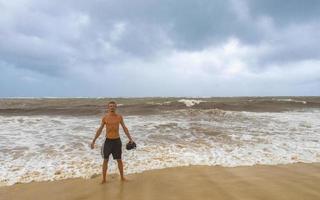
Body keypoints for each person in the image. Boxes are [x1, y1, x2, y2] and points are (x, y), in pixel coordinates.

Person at [91, 101, 134, 183]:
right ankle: (103, 179)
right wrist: (94, 141)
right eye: (110, 106)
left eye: (113, 106)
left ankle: (122, 177)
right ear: (108, 107)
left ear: (116, 107)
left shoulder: (119, 117)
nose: (112, 107)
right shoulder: (105, 118)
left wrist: (130, 139)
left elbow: (124, 128)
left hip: (117, 141)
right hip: (108, 142)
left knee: (119, 160)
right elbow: (100, 129)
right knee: (105, 160)